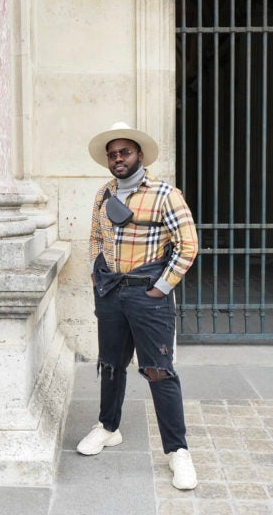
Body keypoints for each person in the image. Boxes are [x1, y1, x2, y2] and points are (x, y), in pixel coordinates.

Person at [77, 121, 199, 491]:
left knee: (159, 371)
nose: (118, 158)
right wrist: (97, 275)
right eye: (112, 154)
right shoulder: (103, 194)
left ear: (139, 155)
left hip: (148, 295)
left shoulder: (165, 194)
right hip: (110, 293)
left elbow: (188, 245)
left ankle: (177, 451)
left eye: (125, 152)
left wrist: (161, 287)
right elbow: (95, 238)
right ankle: (108, 427)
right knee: (111, 364)